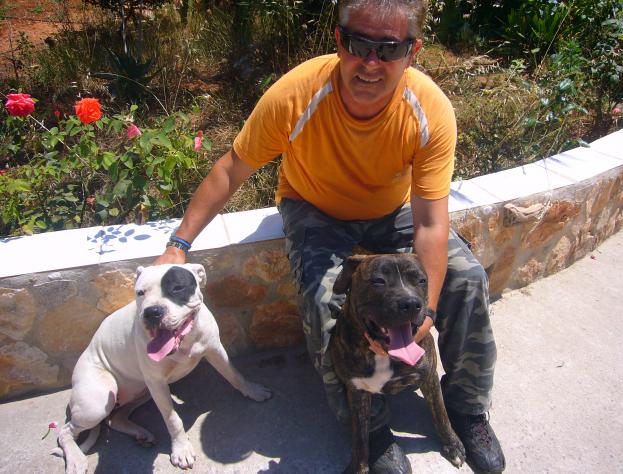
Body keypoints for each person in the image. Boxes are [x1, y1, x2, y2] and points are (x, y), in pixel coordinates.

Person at [154, 0, 505, 472]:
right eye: (359, 44)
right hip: (315, 208)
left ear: (412, 52)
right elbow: (231, 169)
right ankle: (371, 429)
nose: (371, 62)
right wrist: (178, 245)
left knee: (467, 278)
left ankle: (467, 406)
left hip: (392, 211)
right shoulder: (297, 94)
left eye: (389, 49)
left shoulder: (429, 110)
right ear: (339, 41)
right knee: (324, 302)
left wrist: (427, 309)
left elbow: (429, 223)